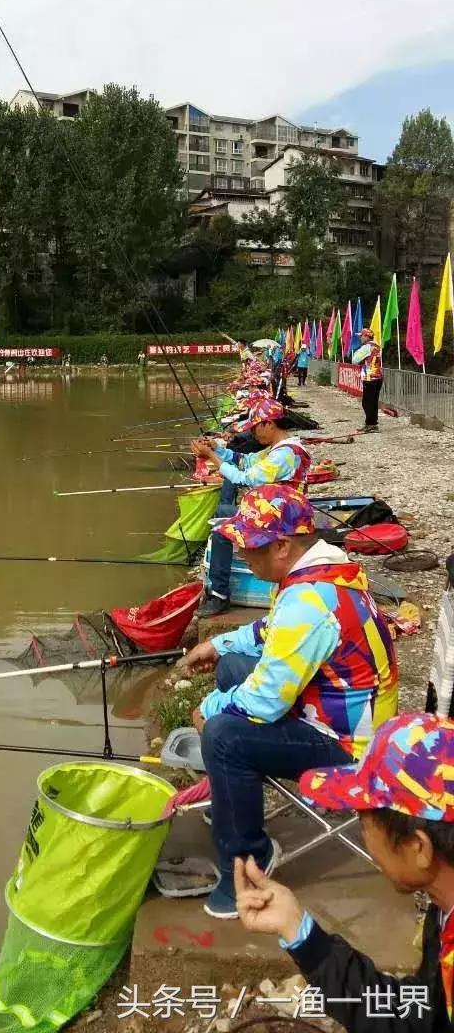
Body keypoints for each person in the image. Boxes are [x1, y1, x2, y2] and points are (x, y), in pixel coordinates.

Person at [184, 484, 398, 919]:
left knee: (224, 734)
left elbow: (262, 703)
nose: (243, 556)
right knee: (232, 667)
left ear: (282, 546)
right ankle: (236, 799)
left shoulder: (308, 602)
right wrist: (221, 644)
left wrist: (206, 711)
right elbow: (272, 630)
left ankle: (245, 863)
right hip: (331, 710)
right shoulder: (318, 573)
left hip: (349, 746)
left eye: (249, 548)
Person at [235, 711, 454, 1031]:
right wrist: (300, 932)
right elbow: (419, 1017)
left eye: (363, 823)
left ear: (418, 848)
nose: (364, 838)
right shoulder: (444, 907)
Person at [191, 399, 311, 616]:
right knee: (223, 513)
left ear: (269, 424)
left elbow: (243, 478)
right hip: (275, 508)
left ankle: (220, 595)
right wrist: (218, 448)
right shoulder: (278, 448)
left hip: (283, 517)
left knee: (221, 529)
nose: (253, 433)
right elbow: (245, 461)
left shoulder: (285, 454)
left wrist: (211, 457)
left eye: (255, 427)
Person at [352, 326, 383, 433]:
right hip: (378, 377)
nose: (360, 338)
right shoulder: (377, 346)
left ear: (366, 337)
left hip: (369, 377)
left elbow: (354, 360)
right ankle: (373, 424)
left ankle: (370, 424)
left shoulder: (366, 347)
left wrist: (357, 352)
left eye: (361, 336)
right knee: (373, 402)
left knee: (367, 403)